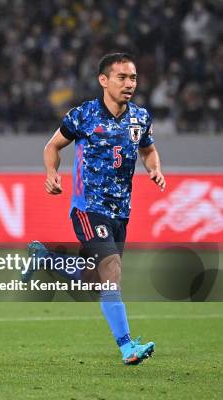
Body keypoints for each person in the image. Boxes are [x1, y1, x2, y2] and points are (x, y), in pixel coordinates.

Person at [26, 53, 165, 365]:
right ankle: (128, 347)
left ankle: (47, 260)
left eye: (133, 78)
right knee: (112, 270)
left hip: (121, 212)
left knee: (96, 280)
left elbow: (149, 150)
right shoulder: (84, 115)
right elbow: (52, 146)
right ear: (104, 80)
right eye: (122, 77)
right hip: (89, 208)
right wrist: (51, 174)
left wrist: (154, 168)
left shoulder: (140, 118)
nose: (129, 84)